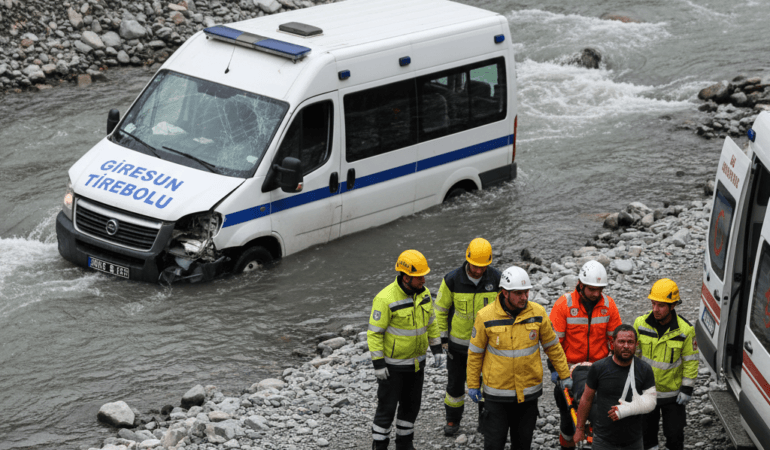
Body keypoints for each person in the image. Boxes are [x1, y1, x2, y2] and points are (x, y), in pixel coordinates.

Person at [467, 266, 572, 450]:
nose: (524, 297)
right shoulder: (485, 316)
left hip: (528, 394)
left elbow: (553, 347)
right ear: (505, 293)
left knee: (523, 444)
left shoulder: (538, 313)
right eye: (518, 293)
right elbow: (475, 354)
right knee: (493, 444)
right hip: (496, 396)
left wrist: (565, 376)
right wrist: (473, 384)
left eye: (526, 292)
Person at [367, 249, 445, 450]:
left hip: (417, 365)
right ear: (405, 276)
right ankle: (380, 444)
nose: (424, 281)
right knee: (387, 408)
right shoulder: (385, 299)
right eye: (419, 277)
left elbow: (431, 322)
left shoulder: (425, 294)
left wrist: (436, 349)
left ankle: (404, 444)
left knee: (411, 407)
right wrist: (378, 365)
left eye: (424, 276)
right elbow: (374, 334)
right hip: (392, 368)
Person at [549, 260, 623, 450]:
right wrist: (557, 370)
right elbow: (553, 344)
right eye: (592, 289)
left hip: (599, 367)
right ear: (580, 285)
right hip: (570, 369)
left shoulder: (608, 305)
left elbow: (615, 342)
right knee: (567, 419)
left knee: (601, 407)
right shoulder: (564, 305)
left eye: (600, 289)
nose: (596, 294)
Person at [434, 237, 502, 436]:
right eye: (475, 266)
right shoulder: (452, 279)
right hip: (457, 346)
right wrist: (442, 339)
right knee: (455, 385)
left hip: (487, 346)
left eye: (483, 267)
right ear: (467, 259)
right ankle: (453, 421)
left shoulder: (497, 279)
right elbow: (440, 310)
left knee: (487, 384)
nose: (479, 271)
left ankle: (485, 423)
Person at [633, 279, 699, 450]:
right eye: (653, 303)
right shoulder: (640, 325)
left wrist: (687, 389)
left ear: (673, 305)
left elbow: (690, 361)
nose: (655, 309)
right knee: (647, 437)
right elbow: (633, 356)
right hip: (646, 394)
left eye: (661, 305)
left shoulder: (685, 330)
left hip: (673, 397)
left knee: (675, 436)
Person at [574, 325, 658, 450]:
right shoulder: (599, 368)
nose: (626, 346)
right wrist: (579, 429)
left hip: (633, 441)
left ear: (636, 344)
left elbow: (650, 402)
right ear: (612, 343)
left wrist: (626, 409)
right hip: (603, 440)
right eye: (621, 342)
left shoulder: (644, 369)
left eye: (630, 342)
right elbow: (586, 399)